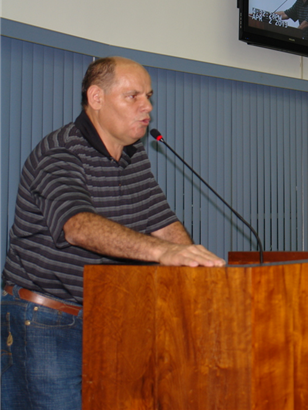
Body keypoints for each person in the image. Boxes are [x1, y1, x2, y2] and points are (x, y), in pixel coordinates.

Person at [0, 56, 225, 410]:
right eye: (132, 96)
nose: (147, 106)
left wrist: (202, 268)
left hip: (106, 318)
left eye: (149, 96)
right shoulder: (59, 152)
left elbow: (163, 225)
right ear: (96, 98)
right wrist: (163, 255)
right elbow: (78, 226)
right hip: (44, 322)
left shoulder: (133, 157)